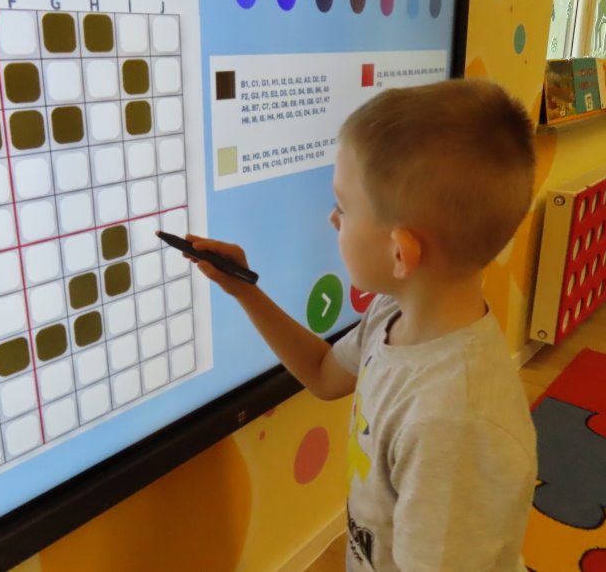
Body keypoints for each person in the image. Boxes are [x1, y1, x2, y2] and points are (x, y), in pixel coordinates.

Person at [187, 78, 538, 571]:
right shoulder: (393, 314)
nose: (333, 220)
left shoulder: (453, 423)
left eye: (344, 207)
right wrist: (244, 290)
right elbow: (323, 374)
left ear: (400, 253)